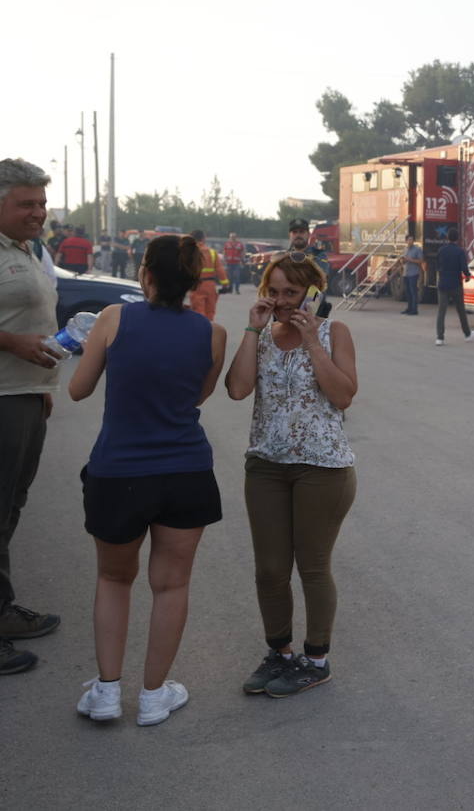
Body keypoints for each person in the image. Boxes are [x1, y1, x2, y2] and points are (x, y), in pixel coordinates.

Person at [68, 235, 228, 724]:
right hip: (186, 471)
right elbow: (197, 398)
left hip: (119, 472)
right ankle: (155, 694)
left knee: (115, 579)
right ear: (193, 281)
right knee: (171, 585)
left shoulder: (115, 318)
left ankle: (108, 691)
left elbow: (78, 390)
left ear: (146, 275)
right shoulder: (212, 334)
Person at [225, 251, 358, 698]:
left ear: (312, 293)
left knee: (313, 566)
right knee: (269, 569)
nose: (281, 301)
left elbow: (342, 396)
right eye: (274, 291)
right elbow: (238, 389)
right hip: (266, 464)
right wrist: (252, 329)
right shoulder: (261, 336)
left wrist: (313, 341)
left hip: (322, 467)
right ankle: (278, 653)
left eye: (291, 293)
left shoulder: (335, 331)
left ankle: (316, 659)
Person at [0, 159, 62, 676]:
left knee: (10, 507)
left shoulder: (26, 249)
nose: (38, 212)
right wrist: (11, 343)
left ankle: (2, 609)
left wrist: (42, 388)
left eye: (41, 203)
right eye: (27, 203)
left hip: (25, 396)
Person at [434, 228, 474, 345]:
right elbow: (464, 267)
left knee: (441, 312)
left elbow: (437, 265)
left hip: (443, 284)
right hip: (456, 284)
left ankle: (440, 338)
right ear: (457, 238)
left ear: (447, 237)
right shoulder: (460, 251)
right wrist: (467, 276)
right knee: (461, 311)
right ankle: (467, 334)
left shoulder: (441, 250)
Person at [187, 230, 227, 321]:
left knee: (198, 311)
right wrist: (225, 284)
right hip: (210, 285)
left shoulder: (190, 253)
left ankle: (199, 331)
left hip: (196, 285)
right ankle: (209, 331)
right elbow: (220, 269)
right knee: (210, 312)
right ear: (203, 238)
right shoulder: (212, 253)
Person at [400, 234, 423, 315]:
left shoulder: (417, 249)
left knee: (413, 292)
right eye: (409, 240)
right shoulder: (405, 249)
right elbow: (403, 260)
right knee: (408, 292)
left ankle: (414, 310)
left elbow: (420, 261)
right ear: (406, 241)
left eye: (412, 239)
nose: (411, 241)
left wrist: (410, 259)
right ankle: (409, 308)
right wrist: (403, 261)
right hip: (406, 273)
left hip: (414, 273)